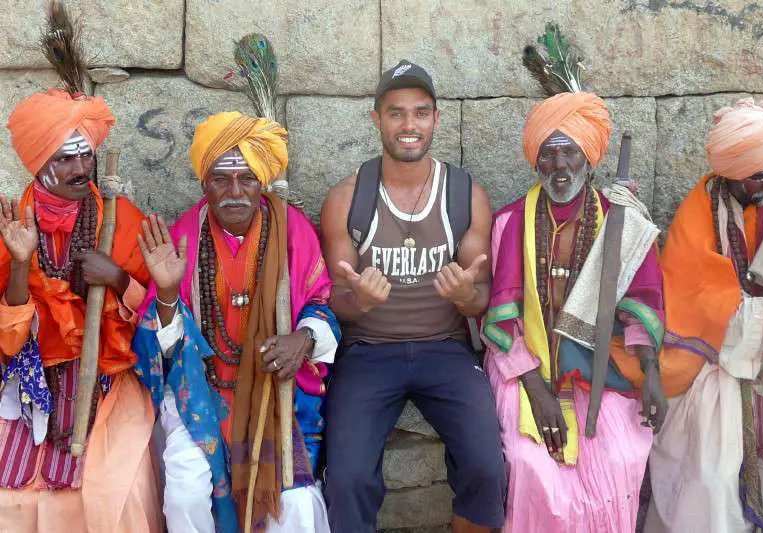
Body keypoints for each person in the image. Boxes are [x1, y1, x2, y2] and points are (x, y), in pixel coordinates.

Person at [320, 60, 506, 533]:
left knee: (488, 467)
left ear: (435, 119)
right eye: (396, 113)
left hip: (444, 348)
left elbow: (481, 298)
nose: (409, 125)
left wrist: (466, 297)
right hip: (367, 353)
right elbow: (334, 301)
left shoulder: (464, 195)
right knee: (345, 479)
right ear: (376, 119)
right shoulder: (347, 197)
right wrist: (358, 302)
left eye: (421, 113)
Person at [133, 110, 340, 533]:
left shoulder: (292, 229)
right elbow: (159, 349)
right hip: (201, 394)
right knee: (187, 491)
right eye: (221, 180)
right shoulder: (186, 235)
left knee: (295, 504)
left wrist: (303, 337)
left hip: (276, 392)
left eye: (246, 178)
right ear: (203, 183)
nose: (235, 192)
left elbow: (323, 303)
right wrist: (169, 293)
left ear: (262, 182)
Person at [0, 7, 160, 530]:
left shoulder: (122, 220)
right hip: (26, 383)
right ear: (38, 161)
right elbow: (8, 338)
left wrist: (116, 277)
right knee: (15, 499)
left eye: (84, 155)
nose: (78, 169)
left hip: (108, 383)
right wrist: (22, 264)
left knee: (121, 497)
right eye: (64, 158)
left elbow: (159, 314)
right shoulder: (12, 223)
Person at [482, 90, 668, 532]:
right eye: (549, 154)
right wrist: (538, 393)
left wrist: (653, 375)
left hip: (600, 368)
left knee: (621, 455)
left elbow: (641, 303)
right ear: (535, 162)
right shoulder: (511, 223)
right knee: (532, 464)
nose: (561, 167)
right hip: (523, 368)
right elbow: (502, 325)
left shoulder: (617, 221)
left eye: (571, 153)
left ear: (590, 156)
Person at [645, 97, 763, 533]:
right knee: (709, 478)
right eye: (762, 177)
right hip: (713, 360)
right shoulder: (700, 212)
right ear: (734, 174)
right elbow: (691, 303)